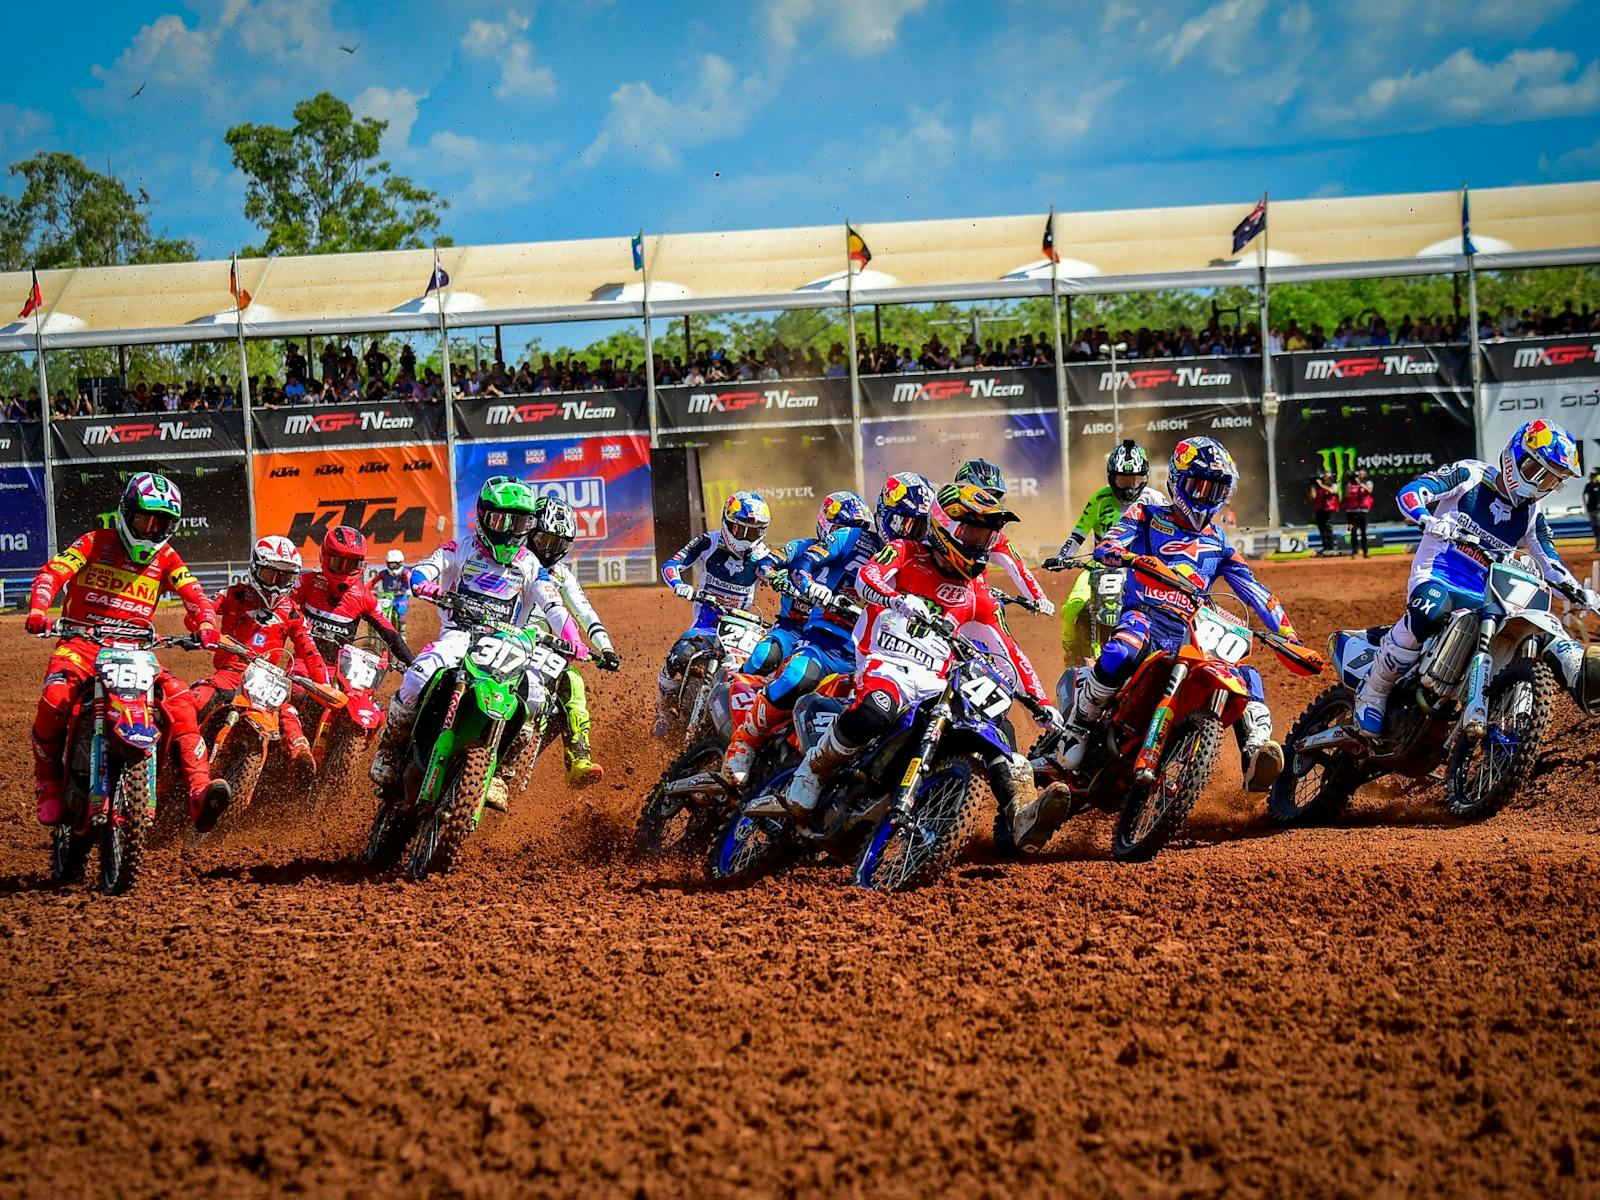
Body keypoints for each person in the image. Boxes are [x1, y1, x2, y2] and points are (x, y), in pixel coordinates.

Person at [784, 482, 1055, 821]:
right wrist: (894, 598)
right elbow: (866, 579)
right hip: (885, 662)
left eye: (985, 538)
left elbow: (1010, 652)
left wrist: (1041, 703)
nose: (979, 546)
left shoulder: (976, 593)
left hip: (934, 681)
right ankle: (814, 767)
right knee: (875, 711)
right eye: (972, 534)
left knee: (993, 729)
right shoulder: (905, 552)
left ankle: (1019, 812)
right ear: (944, 528)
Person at [1055, 438, 1301, 792]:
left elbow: (1257, 592)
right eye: (1196, 486)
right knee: (1120, 649)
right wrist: (1121, 554)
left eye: (1213, 489)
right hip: (1144, 617)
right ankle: (1078, 726)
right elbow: (1110, 542)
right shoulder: (1146, 516)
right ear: (1175, 480)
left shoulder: (1220, 543)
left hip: (1192, 631)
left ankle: (1257, 753)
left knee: (1246, 676)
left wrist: (1289, 637)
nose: (1203, 497)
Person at [1353, 420, 1599, 735]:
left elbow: (1551, 564)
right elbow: (1413, 492)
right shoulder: (1470, 475)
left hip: (1489, 593)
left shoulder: (1531, 516)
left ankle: (1582, 676)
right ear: (1515, 456)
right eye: (1537, 473)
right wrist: (1428, 518)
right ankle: (1374, 689)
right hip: (1439, 575)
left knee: (1529, 630)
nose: (1541, 485)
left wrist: (1583, 595)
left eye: (1552, 480)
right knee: (1430, 610)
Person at [25, 473, 231, 831]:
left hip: (137, 651)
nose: (151, 529)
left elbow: (196, 595)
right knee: (56, 697)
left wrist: (206, 625)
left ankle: (199, 789)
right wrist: (39, 609)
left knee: (180, 698)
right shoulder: (94, 541)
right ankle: (49, 784)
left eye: (161, 523)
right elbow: (53, 574)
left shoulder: (166, 557)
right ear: (125, 512)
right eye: (144, 519)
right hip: (81, 645)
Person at [721, 476, 930, 786]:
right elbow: (804, 560)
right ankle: (744, 743)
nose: (908, 533)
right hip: (824, 638)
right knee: (797, 675)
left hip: (872, 655)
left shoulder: (919, 562)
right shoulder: (853, 538)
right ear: (885, 516)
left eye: (919, 526)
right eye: (902, 523)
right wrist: (810, 586)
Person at [370, 479, 573, 788]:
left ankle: (503, 773)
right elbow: (426, 568)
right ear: (483, 517)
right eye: (500, 520)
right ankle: (390, 746)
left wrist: (574, 639)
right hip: (459, 636)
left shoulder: (530, 564)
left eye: (518, 522)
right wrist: (425, 585)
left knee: (534, 695)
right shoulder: (461, 548)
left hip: (508, 646)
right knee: (418, 675)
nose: (508, 530)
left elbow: (553, 603)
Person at [190, 535, 334, 787]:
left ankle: (299, 760)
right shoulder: (235, 595)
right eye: (271, 575)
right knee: (196, 699)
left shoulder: (291, 611)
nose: (277, 584)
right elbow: (204, 609)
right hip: (231, 672)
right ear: (256, 569)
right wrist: (205, 627)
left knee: (288, 713)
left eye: (285, 577)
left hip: (267, 677)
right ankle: (175, 765)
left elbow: (309, 650)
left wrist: (324, 683)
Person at [655, 492, 783, 737]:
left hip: (741, 628)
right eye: (742, 530)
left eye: (755, 532)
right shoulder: (708, 542)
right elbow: (671, 564)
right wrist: (679, 584)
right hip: (707, 625)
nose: (747, 538)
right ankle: (664, 708)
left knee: (758, 671)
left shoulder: (762, 556)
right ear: (727, 522)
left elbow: (770, 570)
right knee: (678, 655)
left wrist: (772, 576)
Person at [521, 494, 622, 790]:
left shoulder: (562, 576)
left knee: (574, 684)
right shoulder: (512, 563)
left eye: (558, 545)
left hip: (548, 650)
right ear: (529, 532)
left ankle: (578, 761)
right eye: (545, 541)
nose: (550, 551)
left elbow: (584, 611)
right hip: (508, 641)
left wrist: (605, 648)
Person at [1050, 440, 1168, 666]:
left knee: (1159, 611)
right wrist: (1061, 556)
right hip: (1098, 567)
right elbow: (1077, 535)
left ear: (1144, 477)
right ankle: (1071, 655)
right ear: (1111, 477)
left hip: (1139, 569)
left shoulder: (1155, 500)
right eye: (1123, 480)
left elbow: (1168, 535)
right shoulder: (1099, 500)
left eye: (1134, 480)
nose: (1129, 487)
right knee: (1073, 606)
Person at [291, 526, 414, 741]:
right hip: (303, 666)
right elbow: (281, 609)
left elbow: (390, 634)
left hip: (340, 672)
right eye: (339, 562)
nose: (344, 570)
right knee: (292, 696)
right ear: (326, 557)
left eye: (351, 564)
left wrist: (414, 664)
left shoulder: (363, 596)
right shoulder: (308, 582)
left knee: (356, 708)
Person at [952, 459, 1054, 615]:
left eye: (995, 498)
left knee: (996, 608)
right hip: (927, 600)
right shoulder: (935, 519)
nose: (990, 504)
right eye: (984, 496)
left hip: (967, 601)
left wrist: (1040, 599)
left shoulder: (993, 535)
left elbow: (1019, 569)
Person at [370, 548, 412, 635]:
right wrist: (366, 590)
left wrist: (409, 589)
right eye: (390, 564)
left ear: (400, 563)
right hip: (387, 597)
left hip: (401, 597)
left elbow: (410, 580)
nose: (391, 567)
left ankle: (402, 633)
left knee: (401, 611)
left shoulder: (405, 572)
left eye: (394, 565)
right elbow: (373, 582)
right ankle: (374, 634)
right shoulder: (384, 573)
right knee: (377, 612)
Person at [1343, 469, 1375, 558]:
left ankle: (1365, 552)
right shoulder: (1350, 484)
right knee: (1353, 532)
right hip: (1351, 512)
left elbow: (1369, 490)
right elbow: (1347, 495)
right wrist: (1350, 483)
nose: (1359, 476)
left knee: (1363, 532)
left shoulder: (1368, 482)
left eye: (1361, 474)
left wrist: (1359, 483)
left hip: (1363, 511)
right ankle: (1354, 552)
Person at [1311, 472, 1341, 555]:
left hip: (1330, 509)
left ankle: (1331, 548)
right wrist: (1313, 487)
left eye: (1326, 477)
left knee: (1328, 528)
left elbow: (1332, 491)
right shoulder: (1319, 488)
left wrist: (1321, 485)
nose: (1324, 478)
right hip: (1320, 510)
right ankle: (1325, 548)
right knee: (1322, 529)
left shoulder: (1333, 485)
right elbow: (1313, 497)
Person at [1584, 467, 1600, 552]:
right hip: (1591, 510)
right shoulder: (1588, 486)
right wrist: (1586, 506)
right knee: (1596, 529)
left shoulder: (1598, 485)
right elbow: (1584, 495)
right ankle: (1597, 547)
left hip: (1597, 511)